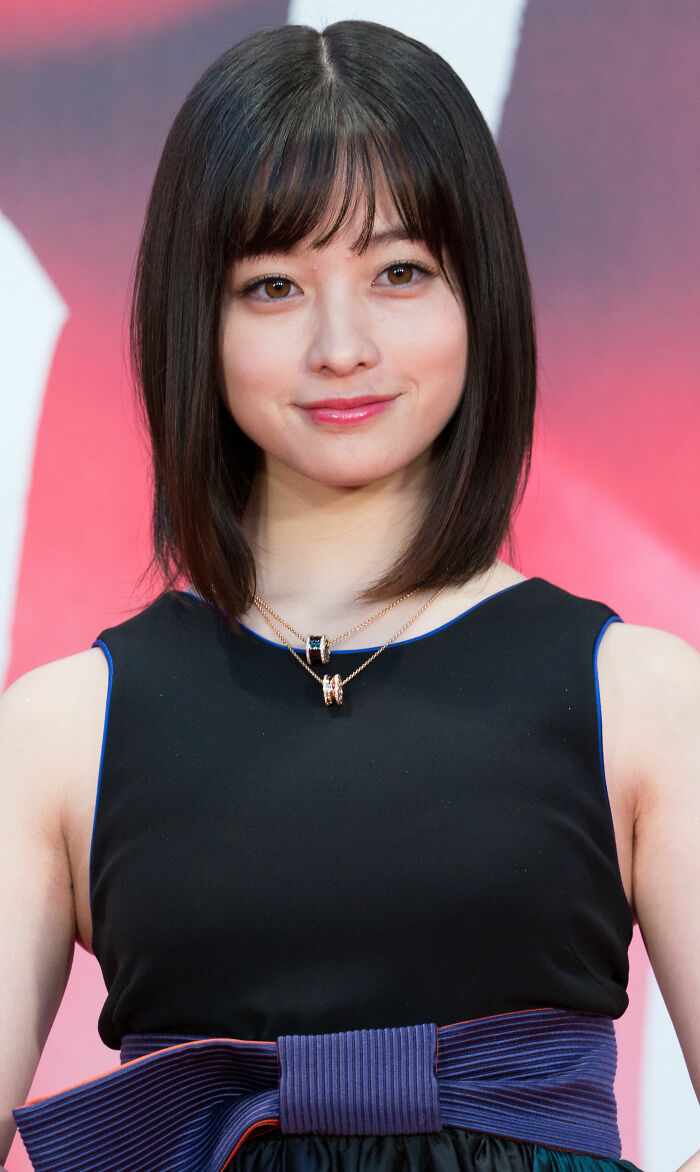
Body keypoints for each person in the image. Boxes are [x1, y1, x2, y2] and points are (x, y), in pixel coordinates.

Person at [1, 18, 698, 1172]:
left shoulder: (641, 695)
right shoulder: (61, 729)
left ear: (480, 295)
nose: (341, 344)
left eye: (399, 272)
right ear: (197, 319)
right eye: (274, 285)